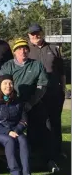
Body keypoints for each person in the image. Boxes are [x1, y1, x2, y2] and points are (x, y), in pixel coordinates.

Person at [0, 38, 58, 172]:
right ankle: (13, 161)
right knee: (12, 131)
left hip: (33, 103)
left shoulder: (37, 65)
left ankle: (48, 159)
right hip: (13, 105)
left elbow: (42, 86)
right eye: (19, 48)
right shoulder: (7, 66)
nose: (23, 51)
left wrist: (30, 103)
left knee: (46, 127)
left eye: (25, 48)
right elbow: (4, 86)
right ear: (14, 52)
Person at [27, 23, 66, 160]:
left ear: (42, 33)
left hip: (54, 93)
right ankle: (36, 149)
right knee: (35, 122)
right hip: (35, 94)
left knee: (55, 122)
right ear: (29, 35)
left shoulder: (53, 48)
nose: (35, 35)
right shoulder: (27, 50)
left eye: (37, 33)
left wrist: (63, 89)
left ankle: (58, 150)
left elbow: (61, 71)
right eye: (32, 33)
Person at [0, 75, 35, 175]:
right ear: (0, 85)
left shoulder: (19, 101)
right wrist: (8, 131)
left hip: (16, 130)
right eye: (5, 83)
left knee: (23, 140)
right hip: (0, 133)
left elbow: (24, 120)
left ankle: (27, 173)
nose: (8, 86)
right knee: (10, 140)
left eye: (10, 83)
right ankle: (16, 174)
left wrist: (16, 130)